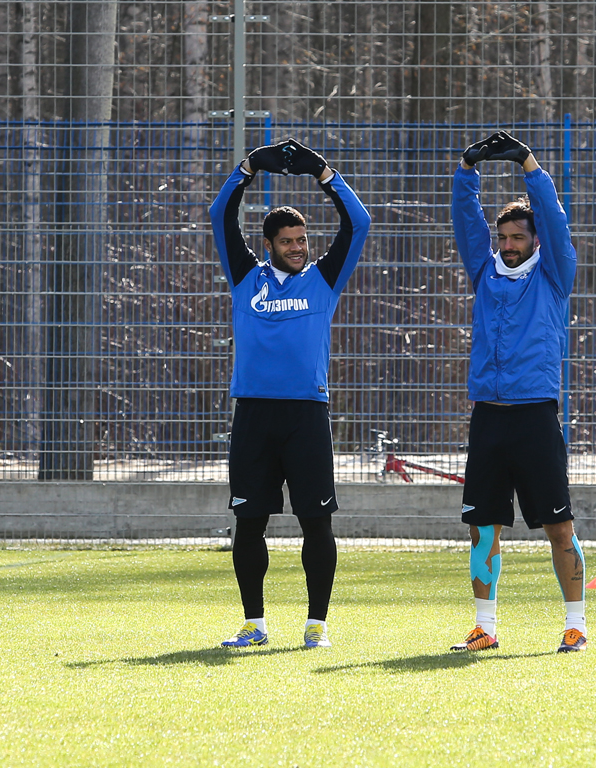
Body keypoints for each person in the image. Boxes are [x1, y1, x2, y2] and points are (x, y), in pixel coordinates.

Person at [209, 139, 370, 649]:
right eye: (287, 242)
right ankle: (254, 624)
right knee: (249, 522)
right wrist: (247, 168)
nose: (297, 247)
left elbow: (359, 223)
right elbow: (220, 215)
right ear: (269, 244)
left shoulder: (323, 279)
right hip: (254, 415)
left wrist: (324, 173)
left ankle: (316, 626)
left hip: (307, 416)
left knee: (316, 522)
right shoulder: (245, 277)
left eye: (302, 239)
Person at [449, 131, 586, 654]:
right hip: (488, 416)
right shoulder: (484, 271)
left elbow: (554, 219)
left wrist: (530, 164)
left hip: (535, 417)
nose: (507, 245)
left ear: (534, 240)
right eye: (502, 237)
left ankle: (576, 625)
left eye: (517, 238)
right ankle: (484, 627)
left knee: (558, 526)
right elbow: (465, 221)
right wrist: (467, 170)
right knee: (483, 529)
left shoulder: (554, 273)